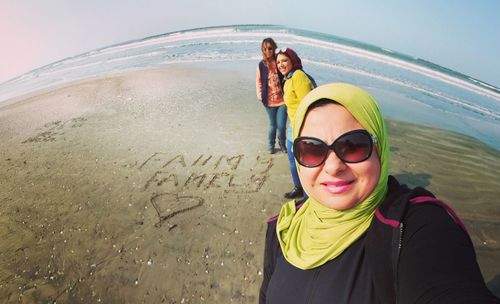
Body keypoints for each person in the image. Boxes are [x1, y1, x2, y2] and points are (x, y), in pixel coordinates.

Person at [259, 83, 500, 303]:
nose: (333, 167)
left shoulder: (412, 227)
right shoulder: (284, 228)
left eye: (353, 146)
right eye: (312, 149)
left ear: (380, 149)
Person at [276, 48, 315, 199]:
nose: (281, 64)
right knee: (293, 161)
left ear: (293, 60)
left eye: (284, 60)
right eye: (278, 62)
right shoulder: (287, 79)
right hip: (293, 126)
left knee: (303, 165)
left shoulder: (298, 76)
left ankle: (307, 198)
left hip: (304, 129)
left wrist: (304, 131)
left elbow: (308, 105)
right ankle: (298, 188)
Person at [256, 38, 287, 154]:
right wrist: (259, 95)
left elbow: (288, 72)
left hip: (282, 101)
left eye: (270, 48)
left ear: (274, 48)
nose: (267, 51)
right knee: (273, 126)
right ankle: (270, 145)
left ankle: (282, 144)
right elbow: (258, 81)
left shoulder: (279, 62)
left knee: (281, 126)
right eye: (265, 49)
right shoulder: (261, 65)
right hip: (269, 102)